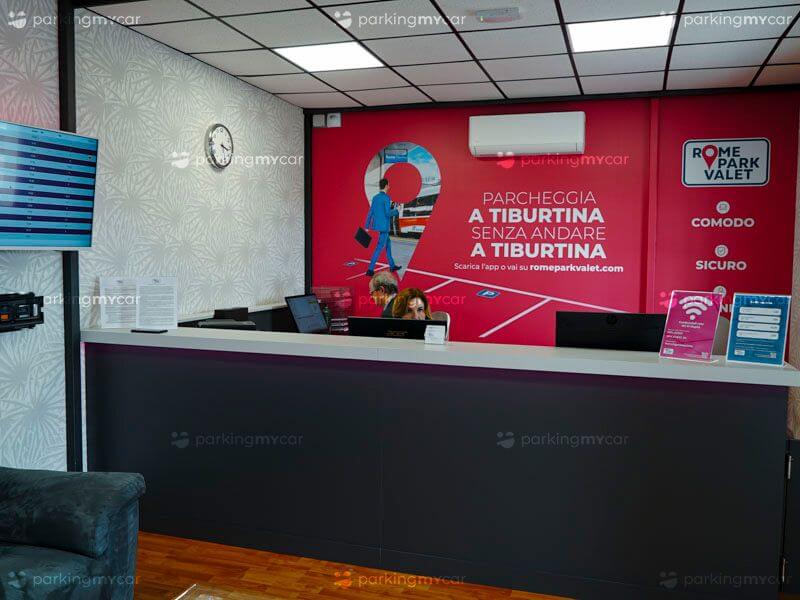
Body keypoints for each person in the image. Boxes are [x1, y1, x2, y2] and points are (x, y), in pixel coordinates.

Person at [365, 178, 401, 276]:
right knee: (379, 247)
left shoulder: (375, 197)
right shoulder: (386, 198)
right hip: (384, 227)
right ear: (385, 186)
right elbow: (387, 213)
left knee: (388, 245)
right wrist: (397, 210)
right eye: (388, 185)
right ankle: (370, 270)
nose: (389, 186)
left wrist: (367, 226)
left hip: (378, 226)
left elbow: (370, 212)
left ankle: (392, 266)